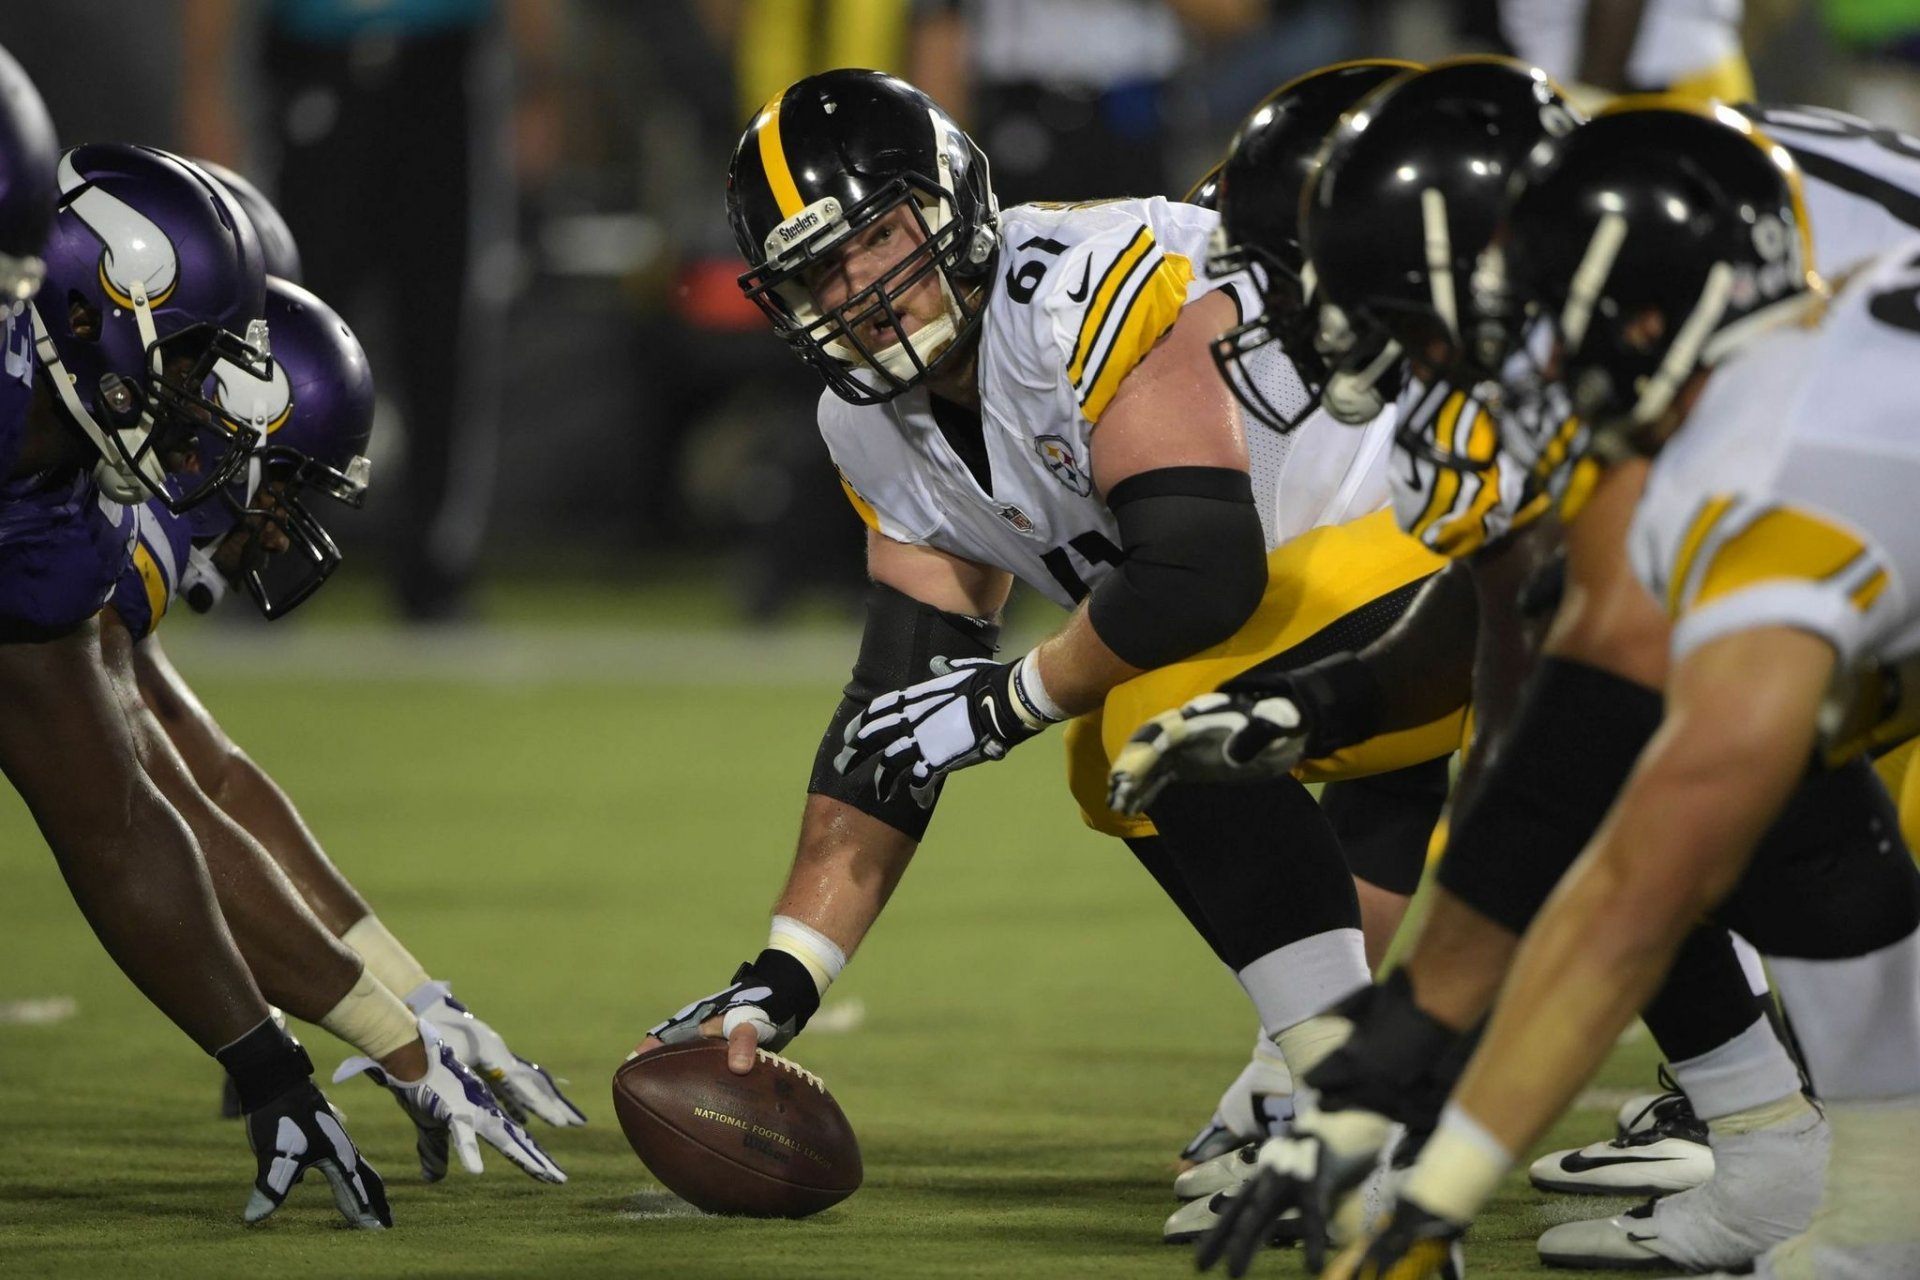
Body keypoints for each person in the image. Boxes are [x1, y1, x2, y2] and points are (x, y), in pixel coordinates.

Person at [633, 71, 1463, 1196]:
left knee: (1146, 714)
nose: (858, 288)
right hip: (1342, 626)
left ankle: (1351, 1097)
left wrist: (1009, 699)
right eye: (818, 270)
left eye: (875, 237)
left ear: (952, 203)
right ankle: (1319, 1061)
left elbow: (1198, 572)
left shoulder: (1076, 290)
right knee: (1117, 743)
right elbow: (894, 712)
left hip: (1463, 565)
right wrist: (787, 971)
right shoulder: (868, 422)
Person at [1192, 97, 1920, 1280]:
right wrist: (1396, 1065)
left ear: (1638, 316)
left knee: (1748, 780)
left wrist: (1436, 1150)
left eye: (1532, 325)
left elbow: (1629, 884)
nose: (1518, 374)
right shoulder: (1701, 317)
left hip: (1850, 537)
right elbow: (1563, 761)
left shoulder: (1782, 483)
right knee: (1768, 791)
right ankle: (1883, 1212)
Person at [0, 119, 389, 1227]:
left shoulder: (52, 508)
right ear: (88, 312)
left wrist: (271, 1067)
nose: (199, 393)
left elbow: (116, 817)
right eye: (184, 352)